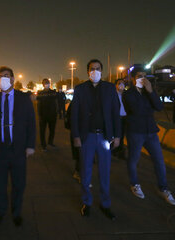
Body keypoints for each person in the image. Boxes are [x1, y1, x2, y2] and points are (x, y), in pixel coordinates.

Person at [0, 66, 36, 226]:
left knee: (19, 184)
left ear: (13, 79)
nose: (4, 79)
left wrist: (30, 145)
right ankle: (1, 211)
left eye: (7, 76)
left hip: (19, 150)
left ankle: (16, 212)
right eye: (0, 76)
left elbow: (31, 124)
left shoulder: (23, 99)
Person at [71, 59, 120, 220]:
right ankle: (87, 202)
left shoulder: (110, 88)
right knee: (86, 171)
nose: (95, 71)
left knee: (105, 172)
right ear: (87, 71)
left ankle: (105, 204)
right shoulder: (80, 89)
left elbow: (115, 113)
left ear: (102, 71)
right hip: (87, 137)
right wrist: (76, 136)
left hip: (105, 137)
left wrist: (117, 135)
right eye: (92, 69)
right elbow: (74, 114)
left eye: (98, 68)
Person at [122, 65, 175, 206]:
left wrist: (151, 92)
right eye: (139, 76)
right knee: (133, 159)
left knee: (159, 160)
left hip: (151, 132)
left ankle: (163, 188)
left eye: (144, 76)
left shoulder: (149, 91)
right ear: (133, 78)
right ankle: (134, 183)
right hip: (135, 132)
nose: (142, 79)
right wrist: (148, 101)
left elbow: (159, 107)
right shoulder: (128, 94)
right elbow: (136, 110)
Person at [37, 78, 58, 151]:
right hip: (43, 115)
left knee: (52, 130)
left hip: (52, 115)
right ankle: (43, 145)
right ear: (43, 85)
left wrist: (56, 112)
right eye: (45, 83)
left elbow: (56, 103)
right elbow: (39, 105)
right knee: (42, 131)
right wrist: (39, 115)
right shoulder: (40, 93)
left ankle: (50, 142)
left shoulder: (53, 92)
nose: (47, 84)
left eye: (48, 83)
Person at [111, 79, 127, 159]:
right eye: (119, 83)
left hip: (124, 118)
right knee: (116, 135)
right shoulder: (113, 95)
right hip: (116, 118)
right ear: (115, 85)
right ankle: (113, 151)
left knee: (122, 136)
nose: (121, 85)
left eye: (123, 84)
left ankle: (120, 152)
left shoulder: (126, 96)